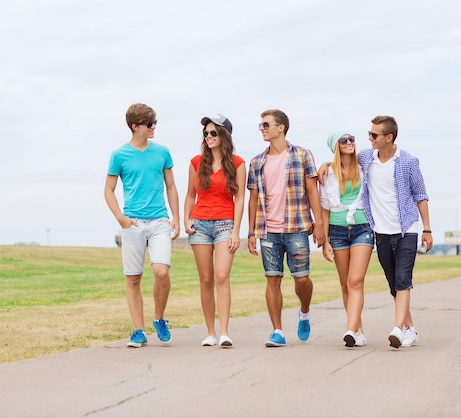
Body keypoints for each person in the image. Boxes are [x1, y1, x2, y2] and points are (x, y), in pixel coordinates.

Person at [318, 115, 432, 349]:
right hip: (377, 230)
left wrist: (427, 229)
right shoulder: (367, 158)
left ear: (388, 137)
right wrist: (327, 164)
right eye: (368, 134)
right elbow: (340, 166)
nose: (366, 139)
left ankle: (397, 329)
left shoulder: (406, 162)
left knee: (395, 280)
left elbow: (420, 195)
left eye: (373, 135)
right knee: (392, 282)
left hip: (401, 227)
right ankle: (404, 328)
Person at [247, 109, 326, 347]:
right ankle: (277, 331)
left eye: (266, 124)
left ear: (281, 127)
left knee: (302, 279)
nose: (262, 128)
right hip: (268, 229)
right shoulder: (257, 161)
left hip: (297, 226)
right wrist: (251, 232)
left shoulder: (302, 155)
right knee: (273, 279)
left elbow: (313, 190)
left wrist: (319, 223)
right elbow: (253, 198)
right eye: (261, 125)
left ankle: (304, 311)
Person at [104, 103, 180, 348]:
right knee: (133, 278)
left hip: (159, 220)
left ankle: (159, 318)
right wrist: (120, 217)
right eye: (150, 124)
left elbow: (171, 186)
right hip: (132, 223)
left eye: (155, 122)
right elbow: (108, 190)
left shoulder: (162, 152)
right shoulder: (119, 155)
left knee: (161, 271)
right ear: (135, 127)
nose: (154, 127)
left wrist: (175, 218)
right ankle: (139, 331)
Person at [184, 114, 246, 348]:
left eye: (213, 133)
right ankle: (210, 332)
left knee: (222, 275)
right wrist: (186, 219)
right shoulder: (196, 162)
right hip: (199, 225)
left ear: (224, 135)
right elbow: (191, 194)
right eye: (206, 133)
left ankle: (224, 332)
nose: (208, 137)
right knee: (206, 279)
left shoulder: (238, 163)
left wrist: (236, 230)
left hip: (224, 225)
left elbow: (239, 198)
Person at [319, 130, 374, 348]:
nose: (350, 142)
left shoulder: (364, 166)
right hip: (338, 231)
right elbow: (324, 207)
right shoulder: (328, 173)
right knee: (345, 284)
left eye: (352, 139)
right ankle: (357, 330)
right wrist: (325, 240)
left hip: (362, 228)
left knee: (355, 281)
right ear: (336, 146)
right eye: (344, 140)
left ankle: (350, 329)